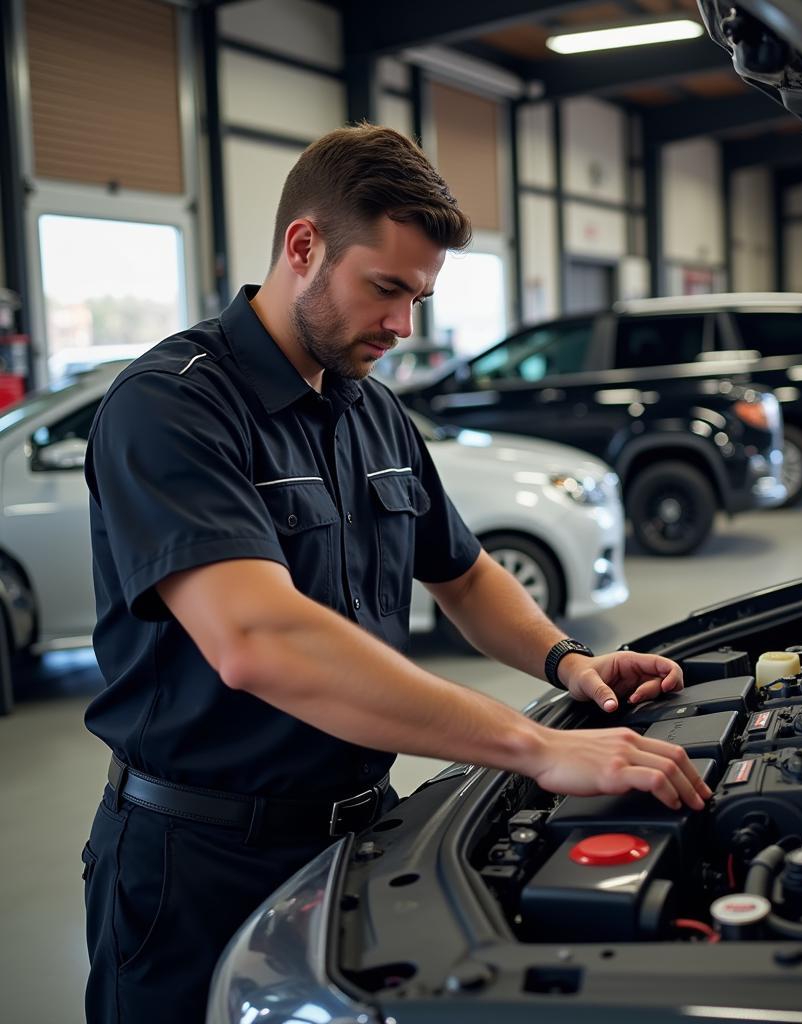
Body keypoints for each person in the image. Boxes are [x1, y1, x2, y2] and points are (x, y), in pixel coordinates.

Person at [80, 124, 711, 1022]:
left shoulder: (372, 411)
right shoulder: (173, 405)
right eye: (385, 288)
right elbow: (259, 642)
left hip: (363, 845)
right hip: (199, 864)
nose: (403, 325)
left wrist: (568, 661)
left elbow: (463, 573)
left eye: (419, 295)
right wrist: (536, 747)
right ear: (303, 247)